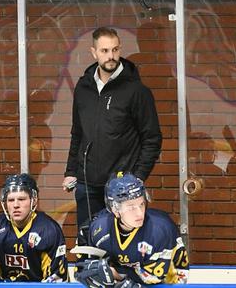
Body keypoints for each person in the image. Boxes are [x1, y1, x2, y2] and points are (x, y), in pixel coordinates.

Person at [62, 27, 162, 243]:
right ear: (93, 52)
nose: (111, 56)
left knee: (123, 246)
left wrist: (137, 177)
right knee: (89, 244)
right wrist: (71, 171)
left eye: (115, 50)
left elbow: (152, 138)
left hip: (122, 187)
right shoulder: (83, 88)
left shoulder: (136, 91)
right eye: (105, 51)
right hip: (87, 184)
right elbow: (77, 132)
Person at [75, 172, 188, 287]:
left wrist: (115, 274)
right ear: (114, 209)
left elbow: (154, 278)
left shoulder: (160, 230)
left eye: (142, 204)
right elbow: (83, 268)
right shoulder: (98, 228)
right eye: (131, 207)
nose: (140, 213)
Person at [0, 173, 68, 282]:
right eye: (11, 200)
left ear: (33, 201)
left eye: (21, 199)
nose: (15, 205)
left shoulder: (49, 230)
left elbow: (55, 280)